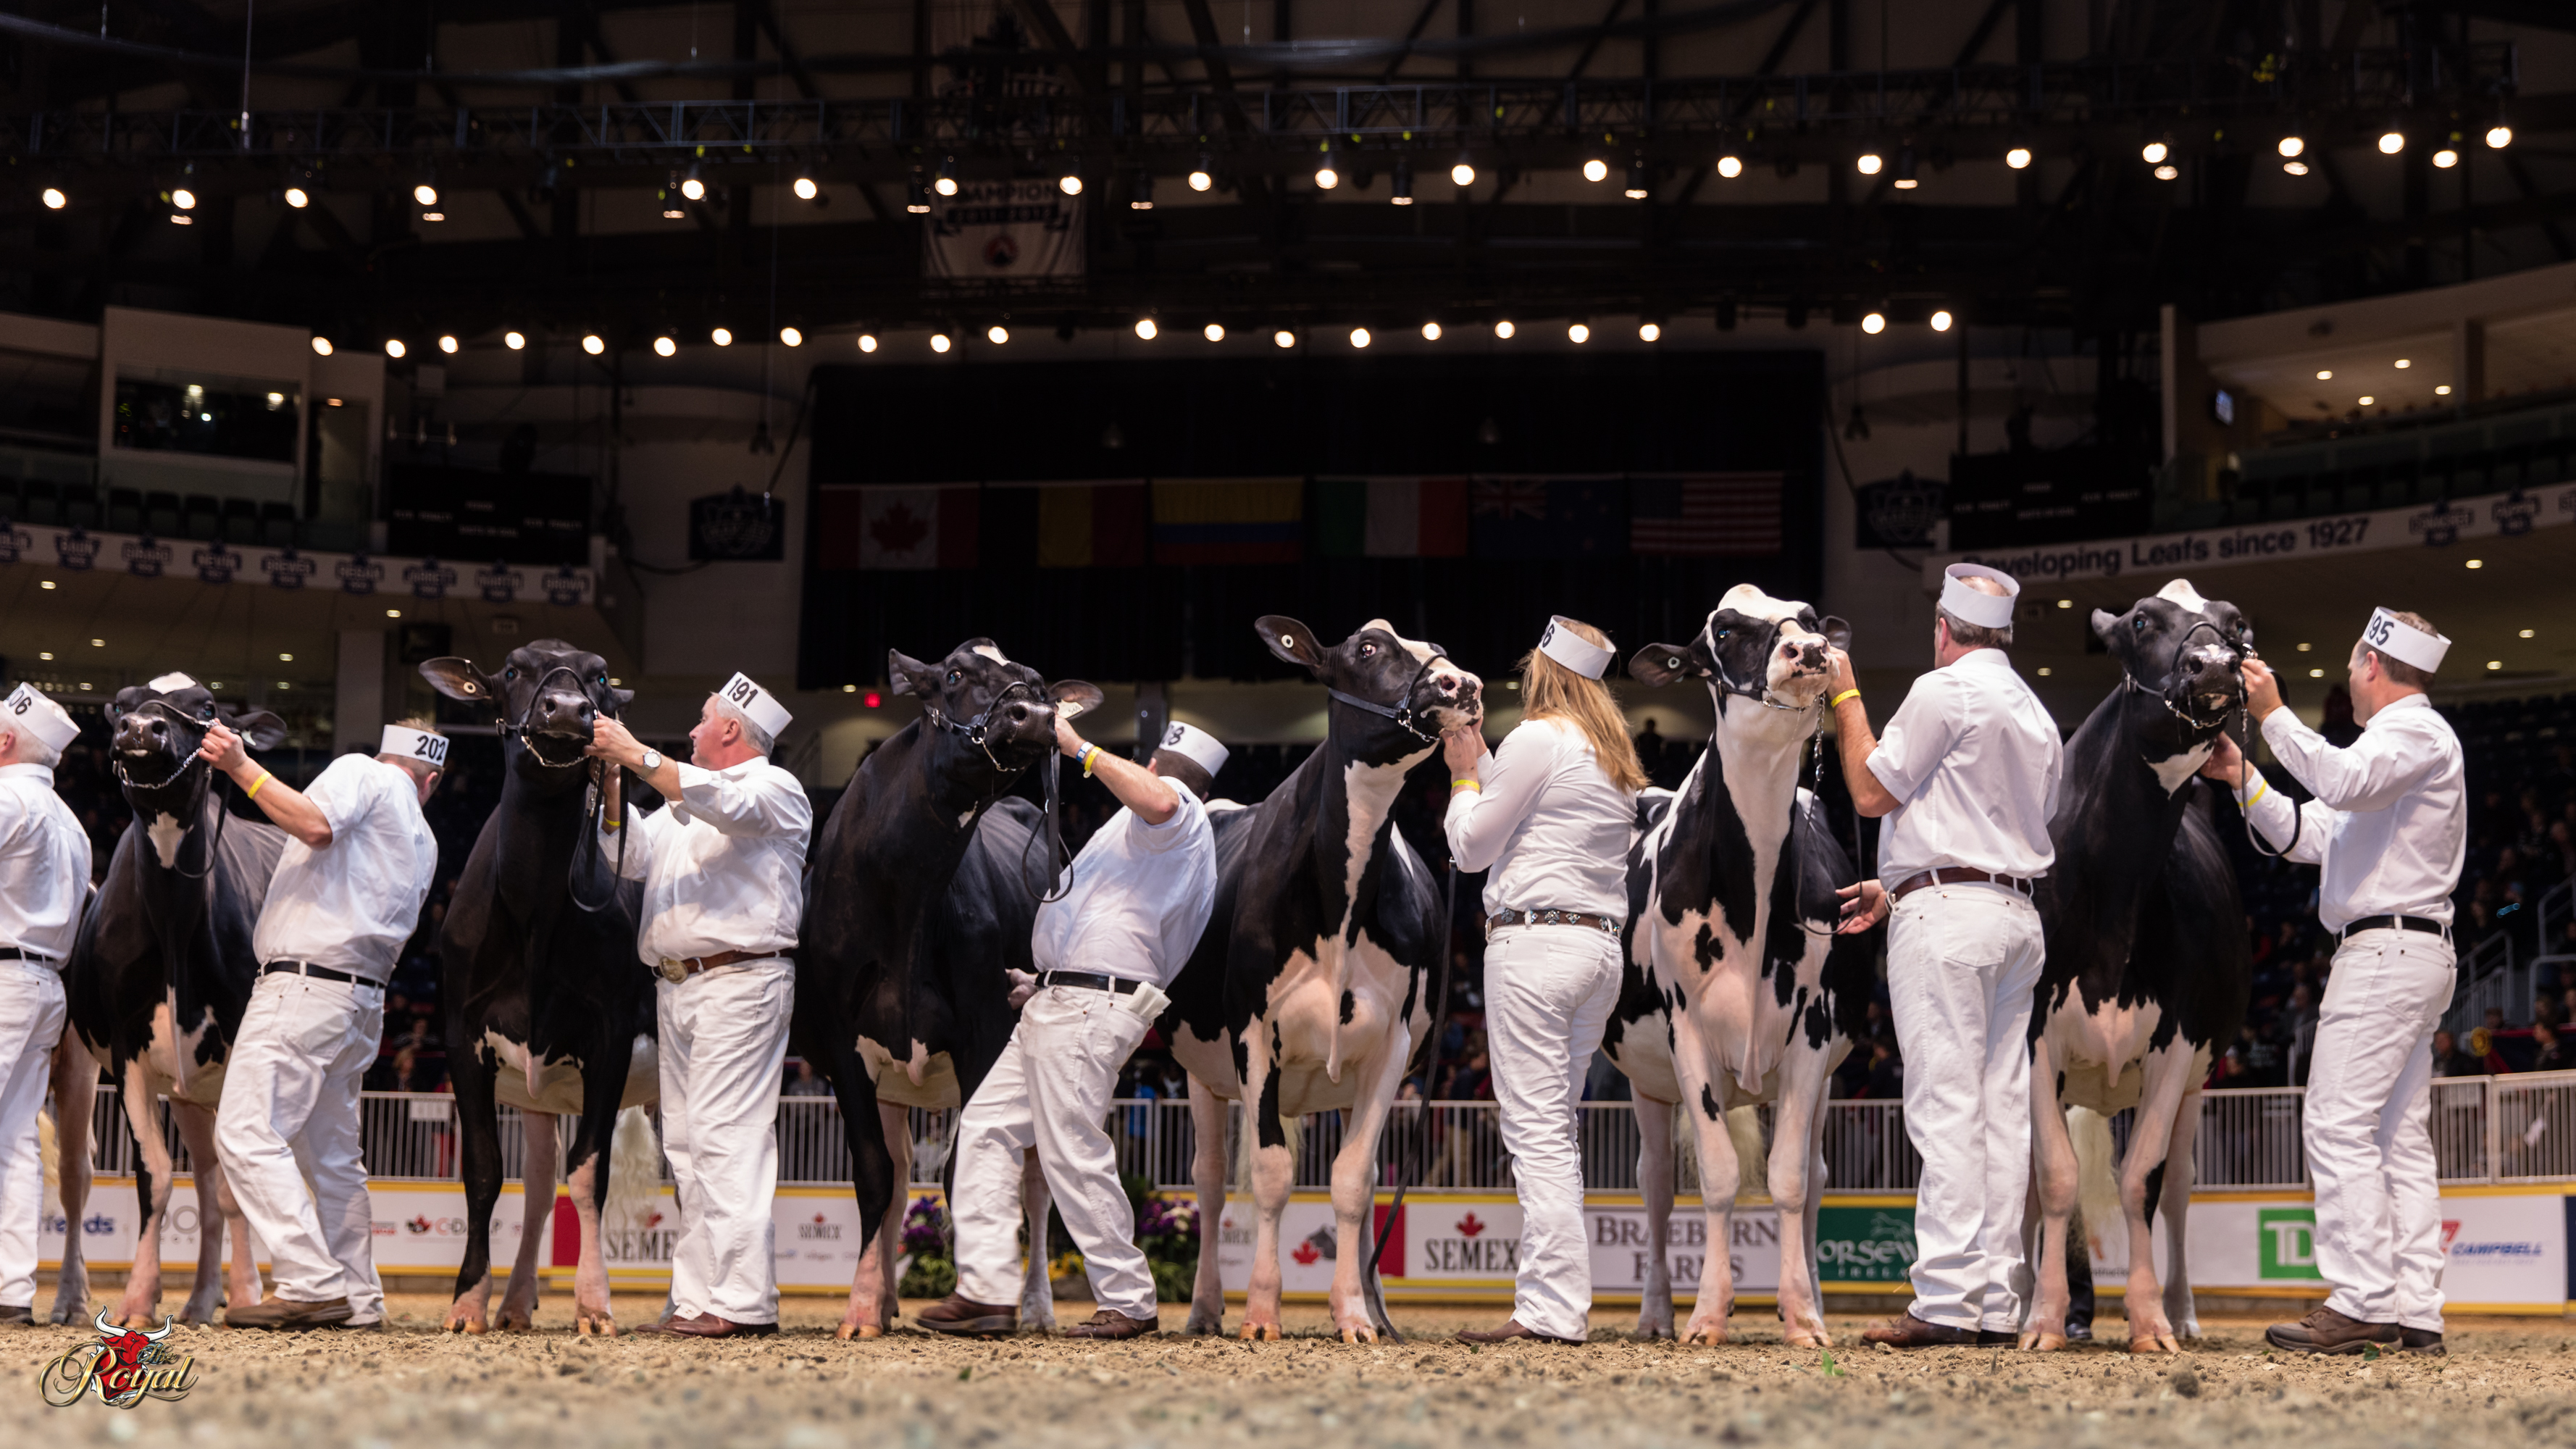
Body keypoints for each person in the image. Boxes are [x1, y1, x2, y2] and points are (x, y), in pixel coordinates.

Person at [2202, 606, 2465, 1356]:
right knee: (2394, 1137)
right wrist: (2243, 775)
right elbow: (2308, 833)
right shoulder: (2394, 748)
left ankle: (2360, 1298)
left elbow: (2341, 785)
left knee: (2336, 1121)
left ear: (2372, 664)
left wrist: (2273, 714)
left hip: (2385, 952)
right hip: (2405, 951)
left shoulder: (2412, 734)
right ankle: (2415, 1307)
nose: (2348, 677)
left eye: (2351, 665)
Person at [918, 719, 1226, 1340]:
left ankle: (1129, 1297)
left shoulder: (1178, 811)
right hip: (1064, 999)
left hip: (1089, 1006)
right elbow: (1113, 930)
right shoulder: (1146, 839)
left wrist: (1080, 747)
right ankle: (987, 1290)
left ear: (1158, 767)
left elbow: (1162, 800)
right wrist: (1045, 982)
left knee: (1071, 1148)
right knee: (985, 1128)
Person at [1824, 563, 2062, 1348]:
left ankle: (1946, 1299)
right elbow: (2006, 825)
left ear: (1943, 628)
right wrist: (1897, 883)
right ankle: (1994, 1300)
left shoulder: (1942, 691)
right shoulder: (2036, 712)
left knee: (1947, 1104)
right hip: (2014, 913)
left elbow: (1870, 791)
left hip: (1949, 919)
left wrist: (1847, 695)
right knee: (2001, 1110)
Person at [1439, 617, 1643, 1345]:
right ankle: (1555, 1300)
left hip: (1535, 946)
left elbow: (1470, 848)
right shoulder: (1611, 753)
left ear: (1543, 673)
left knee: (1538, 1133)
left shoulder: (1538, 736)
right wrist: (1483, 758)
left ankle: (1552, 1310)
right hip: (1597, 950)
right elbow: (1531, 813)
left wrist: (1463, 775)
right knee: (1556, 1130)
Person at [590, 672, 811, 1338]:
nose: (691, 730)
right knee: (685, 1145)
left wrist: (635, 754)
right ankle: (696, 1298)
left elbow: (720, 802)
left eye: (702, 718)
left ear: (732, 728)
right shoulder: (682, 805)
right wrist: (612, 784)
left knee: (726, 1136)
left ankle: (742, 1301)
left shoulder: (775, 788)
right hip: (677, 986)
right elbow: (629, 857)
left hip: (741, 981)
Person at [205, 718, 446, 1329]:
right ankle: (359, 1297)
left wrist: (239, 766)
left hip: (305, 986)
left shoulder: (363, 772)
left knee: (244, 1132)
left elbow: (314, 825)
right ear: (432, 781)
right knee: (334, 1160)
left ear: (387, 756)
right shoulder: (425, 838)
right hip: (361, 1001)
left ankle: (311, 1281)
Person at [0, 684, 89, 1325]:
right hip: (44, 984)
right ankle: (11, 1290)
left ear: (5, 741)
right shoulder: (71, 822)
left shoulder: (8, 798)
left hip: (4, 975)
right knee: (14, 1141)